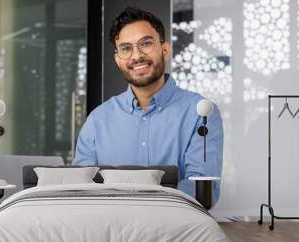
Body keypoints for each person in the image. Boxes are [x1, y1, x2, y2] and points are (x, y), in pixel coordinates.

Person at [74, 6, 223, 204]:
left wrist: (136, 199)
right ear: (118, 60)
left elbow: (204, 191)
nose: (136, 56)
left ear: (165, 49)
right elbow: (81, 189)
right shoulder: (97, 120)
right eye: (126, 48)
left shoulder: (200, 113)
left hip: (175, 229)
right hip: (110, 229)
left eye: (145, 43)